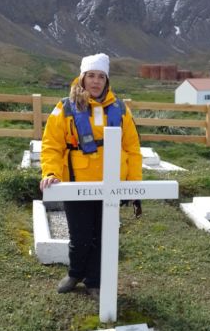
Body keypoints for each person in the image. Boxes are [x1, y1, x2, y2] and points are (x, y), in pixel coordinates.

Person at [39, 53, 142, 297]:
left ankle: (95, 281)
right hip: (77, 184)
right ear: (83, 78)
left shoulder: (120, 109)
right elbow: (52, 144)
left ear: (107, 81)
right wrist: (51, 172)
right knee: (80, 235)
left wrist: (134, 185)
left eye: (101, 77)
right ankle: (75, 273)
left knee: (104, 235)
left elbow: (132, 148)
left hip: (112, 184)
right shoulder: (64, 108)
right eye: (91, 76)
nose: (96, 82)